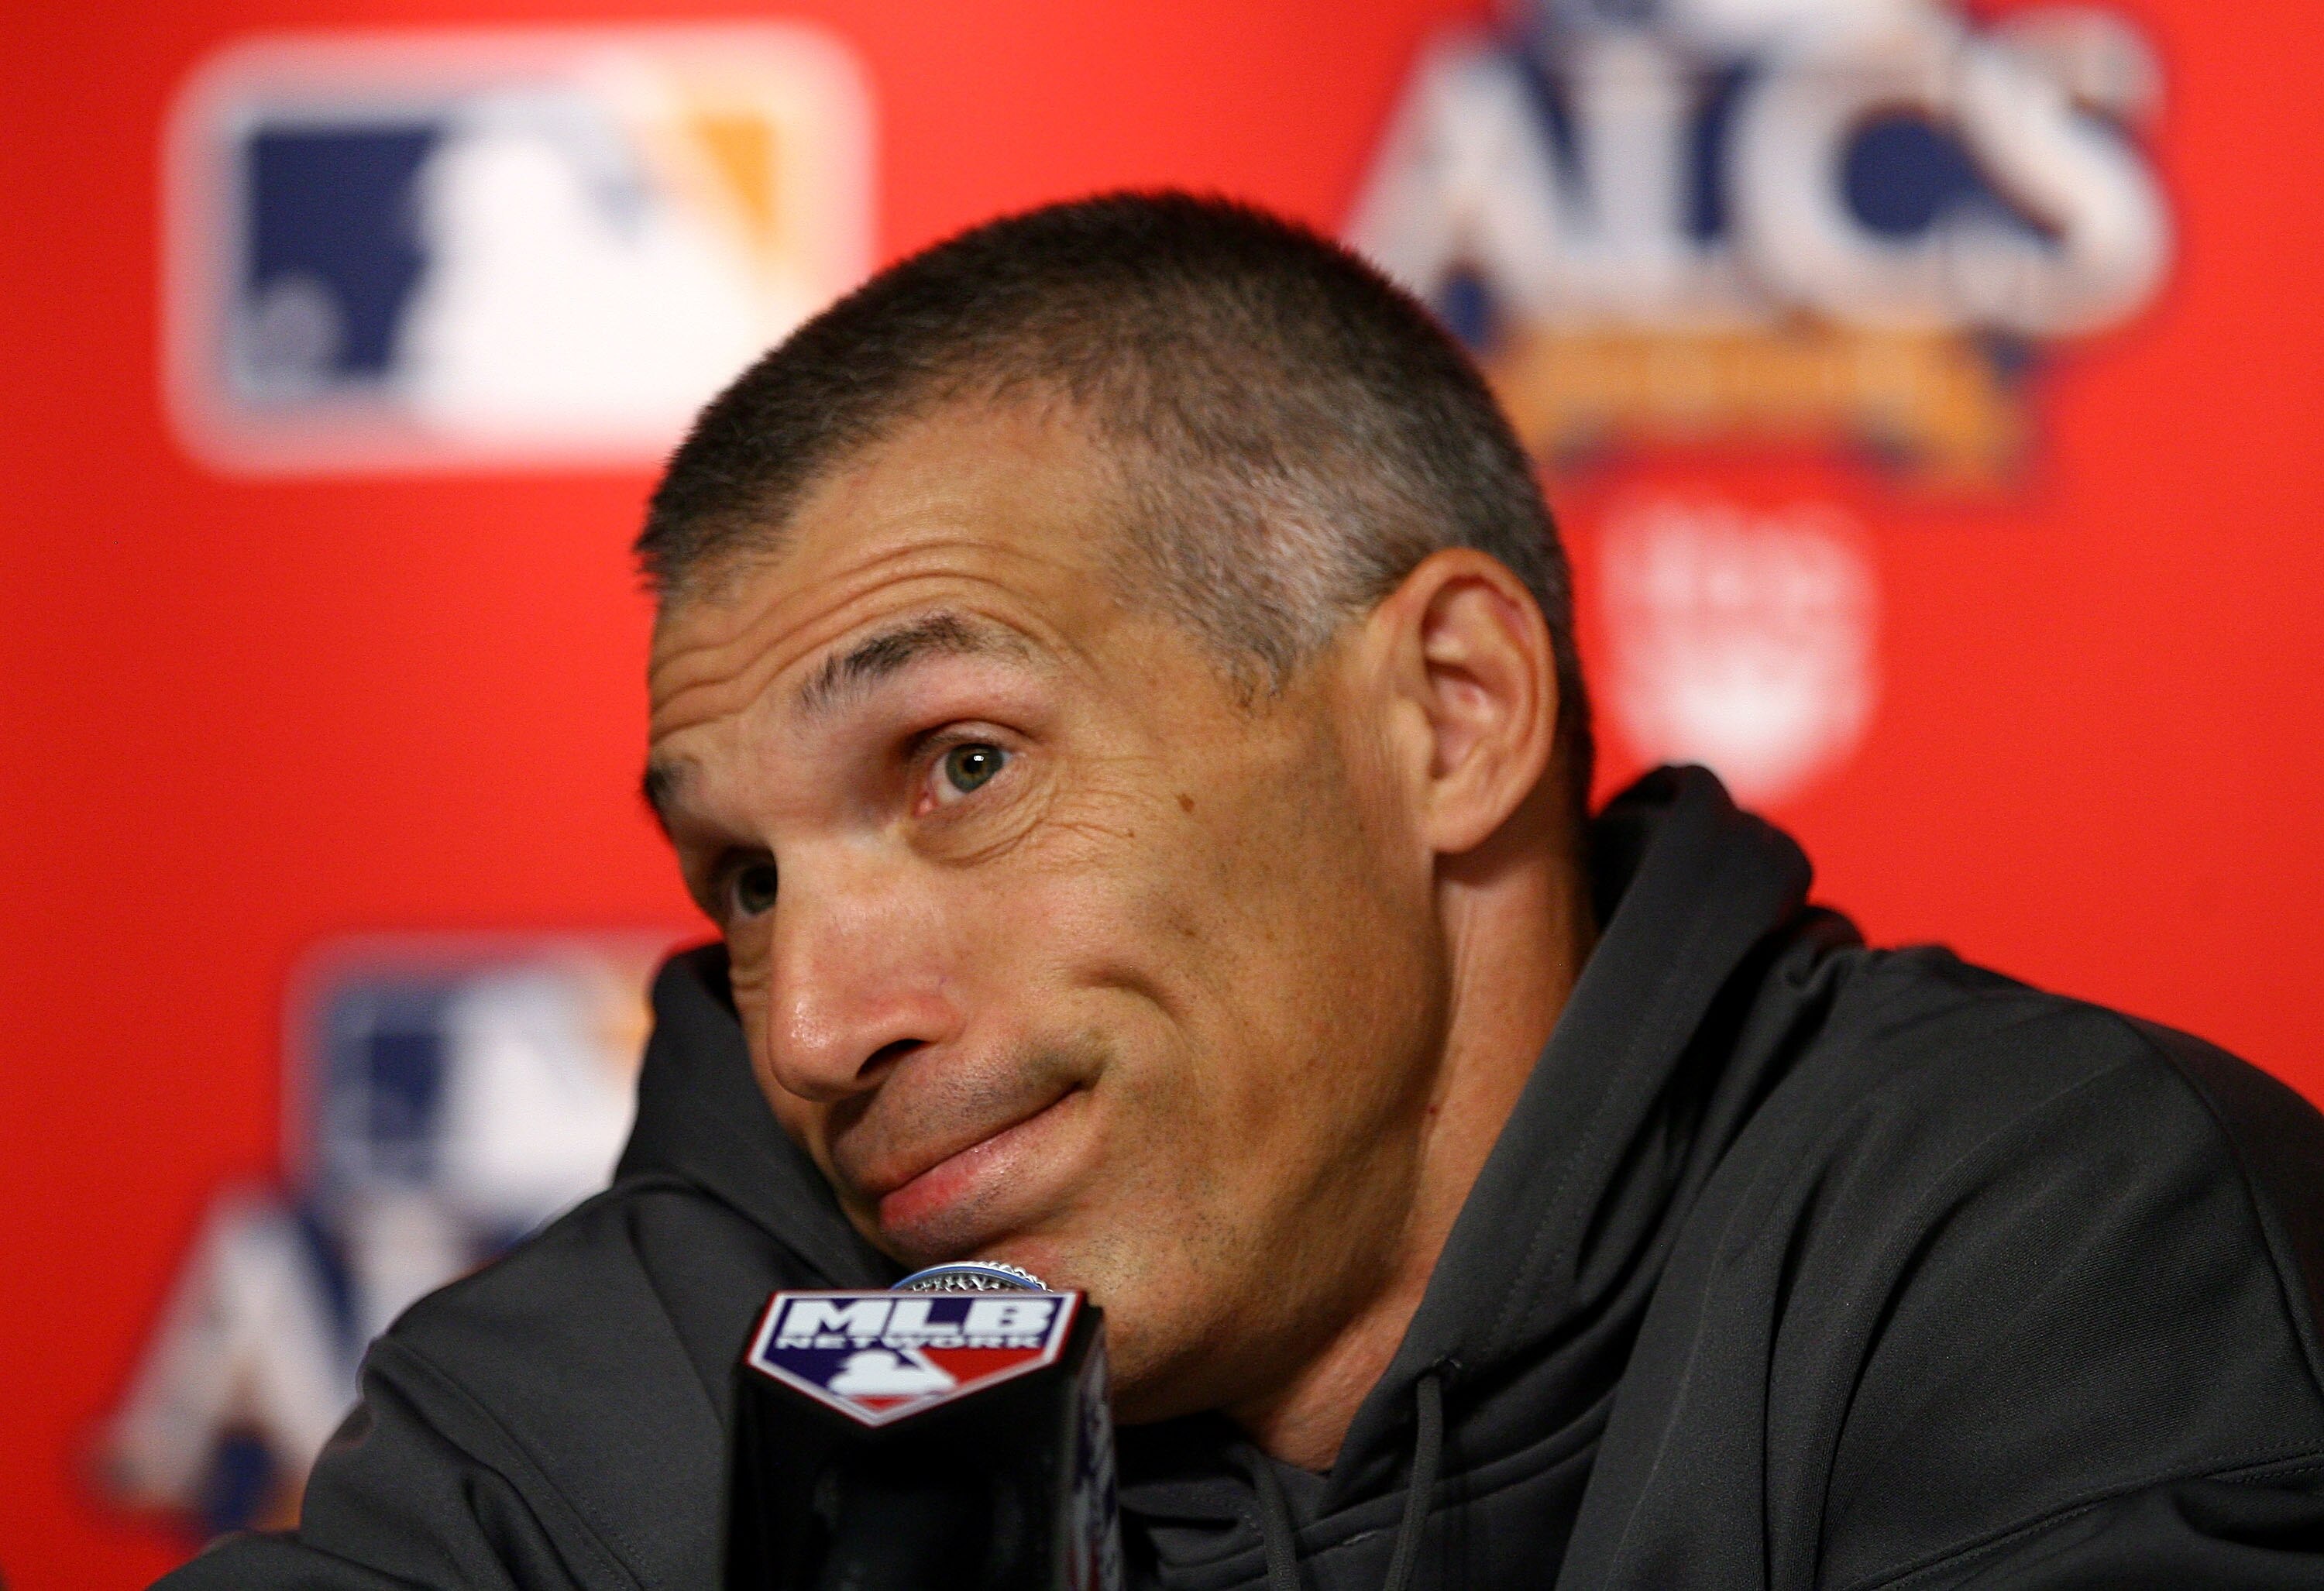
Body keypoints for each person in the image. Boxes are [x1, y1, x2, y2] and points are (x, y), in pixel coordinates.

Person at [161, 194, 2324, 1591]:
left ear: (1453, 716)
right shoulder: (642, 1383)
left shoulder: (2039, 1242)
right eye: (741, 875)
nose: (813, 1023)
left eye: (964, 765)